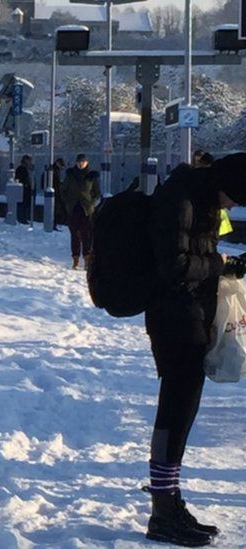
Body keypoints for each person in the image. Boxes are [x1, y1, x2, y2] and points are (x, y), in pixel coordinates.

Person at [144, 153, 246, 547]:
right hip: (174, 317)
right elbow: (173, 264)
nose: (233, 207)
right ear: (224, 186)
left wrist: (227, 265)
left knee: (182, 407)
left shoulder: (199, 198)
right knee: (175, 408)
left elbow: (196, 256)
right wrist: (217, 263)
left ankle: (169, 501)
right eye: (234, 199)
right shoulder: (183, 199)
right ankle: (162, 510)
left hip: (191, 313)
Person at [60, 153, 101, 269]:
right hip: (73, 208)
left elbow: (97, 193)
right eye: (79, 161)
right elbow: (63, 190)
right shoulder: (70, 175)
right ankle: (75, 259)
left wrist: (92, 203)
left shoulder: (91, 176)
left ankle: (87, 259)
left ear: (87, 162)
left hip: (86, 209)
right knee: (74, 234)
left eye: (83, 161)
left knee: (86, 235)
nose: (81, 163)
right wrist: (67, 201)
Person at [15, 155, 33, 224]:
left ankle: (24, 217)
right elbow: (20, 179)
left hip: (26, 189)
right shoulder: (21, 169)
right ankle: (22, 218)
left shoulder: (26, 169)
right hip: (23, 189)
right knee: (23, 204)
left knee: (25, 204)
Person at [51, 158, 67, 229]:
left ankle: (54, 224)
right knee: (56, 209)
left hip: (56, 191)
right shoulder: (54, 171)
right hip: (56, 192)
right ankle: (54, 224)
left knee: (56, 209)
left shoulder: (54, 170)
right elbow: (55, 182)